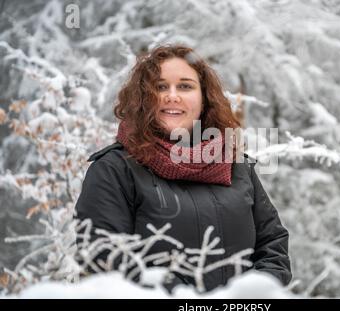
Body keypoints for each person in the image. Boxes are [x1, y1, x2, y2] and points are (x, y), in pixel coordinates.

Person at [75, 44, 291, 292]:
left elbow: (273, 245)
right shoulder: (114, 170)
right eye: (160, 87)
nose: (172, 95)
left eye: (185, 86)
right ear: (143, 99)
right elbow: (106, 258)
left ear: (204, 98)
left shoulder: (237, 166)